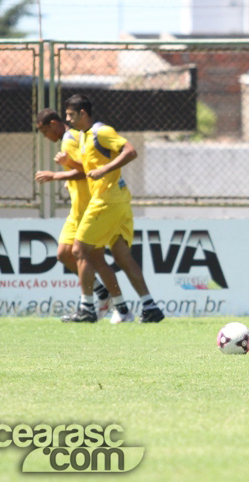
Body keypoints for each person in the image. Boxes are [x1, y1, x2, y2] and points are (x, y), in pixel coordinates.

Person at [65, 94, 165, 324]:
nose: (67, 119)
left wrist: (104, 170)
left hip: (106, 201)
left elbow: (130, 151)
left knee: (79, 250)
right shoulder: (83, 136)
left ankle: (86, 308)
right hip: (117, 200)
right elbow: (89, 167)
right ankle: (150, 307)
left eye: (71, 115)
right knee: (122, 256)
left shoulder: (101, 132)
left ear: (83, 113)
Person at [34, 108, 113, 319]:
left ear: (53, 124)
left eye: (45, 131)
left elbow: (85, 171)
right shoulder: (74, 137)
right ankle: (102, 293)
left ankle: (91, 307)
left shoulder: (69, 140)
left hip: (87, 207)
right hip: (77, 208)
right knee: (64, 254)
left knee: (86, 255)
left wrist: (55, 175)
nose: (45, 137)